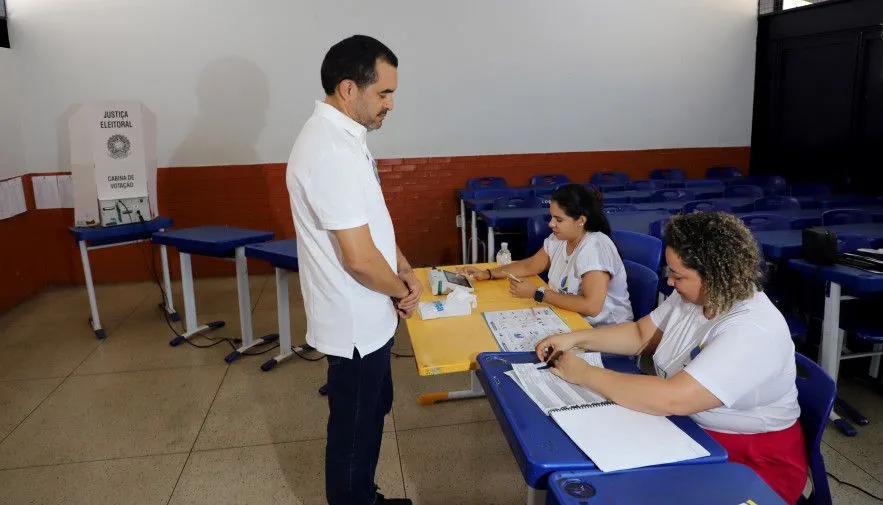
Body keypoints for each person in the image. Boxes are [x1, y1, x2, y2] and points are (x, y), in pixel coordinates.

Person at [535, 211, 806, 504]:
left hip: (751, 465)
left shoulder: (752, 329)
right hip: (690, 431)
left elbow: (674, 398)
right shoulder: (693, 295)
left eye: (679, 275)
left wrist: (583, 373)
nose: (670, 282)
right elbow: (640, 334)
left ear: (715, 275)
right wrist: (576, 338)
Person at [286, 35, 419, 505]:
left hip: (370, 311)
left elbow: (373, 222)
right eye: (383, 92)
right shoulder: (329, 150)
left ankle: (365, 493)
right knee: (355, 431)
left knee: (371, 412)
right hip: (355, 319)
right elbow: (359, 259)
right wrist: (401, 288)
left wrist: (403, 265)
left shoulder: (345, 138)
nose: (391, 104)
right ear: (348, 89)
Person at [462, 183, 632, 326]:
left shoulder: (594, 247)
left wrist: (538, 292)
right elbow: (530, 265)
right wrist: (488, 273)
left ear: (581, 221)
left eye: (559, 220)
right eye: (551, 217)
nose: (551, 224)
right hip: (569, 320)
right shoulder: (558, 239)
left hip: (603, 331)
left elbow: (591, 306)